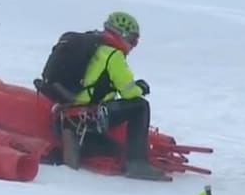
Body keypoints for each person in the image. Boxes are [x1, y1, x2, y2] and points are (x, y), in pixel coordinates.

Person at [39, 11, 167, 181]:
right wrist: (141, 88)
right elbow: (128, 92)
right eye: (133, 41)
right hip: (89, 116)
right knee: (140, 106)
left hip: (68, 112)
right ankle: (137, 164)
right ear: (123, 35)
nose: (133, 46)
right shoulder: (113, 55)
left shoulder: (95, 46)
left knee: (112, 148)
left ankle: (66, 152)